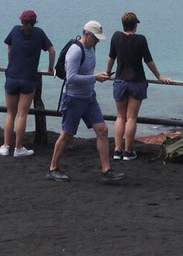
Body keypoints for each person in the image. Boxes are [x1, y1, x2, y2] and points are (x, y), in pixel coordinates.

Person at [46, 20, 126, 183]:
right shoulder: (75, 51)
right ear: (87, 34)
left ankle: (106, 170)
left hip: (89, 97)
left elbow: (87, 72)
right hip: (73, 98)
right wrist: (94, 77)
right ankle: (53, 168)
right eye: (95, 37)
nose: (97, 41)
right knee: (67, 134)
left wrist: (98, 77)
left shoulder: (91, 48)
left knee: (102, 130)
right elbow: (71, 78)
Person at [103, 11, 172, 160]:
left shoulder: (116, 37)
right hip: (136, 80)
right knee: (131, 118)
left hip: (120, 80)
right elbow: (148, 61)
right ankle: (128, 151)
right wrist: (159, 76)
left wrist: (108, 72)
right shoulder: (140, 40)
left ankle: (117, 150)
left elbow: (111, 58)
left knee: (120, 117)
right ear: (135, 25)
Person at [0, 9, 55, 158]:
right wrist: (50, 68)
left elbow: (9, 48)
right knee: (22, 115)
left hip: (12, 76)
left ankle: (5, 146)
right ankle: (18, 148)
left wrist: (11, 62)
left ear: (20, 20)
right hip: (28, 78)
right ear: (35, 22)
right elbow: (52, 51)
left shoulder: (15, 30)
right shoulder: (39, 33)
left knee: (10, 113)